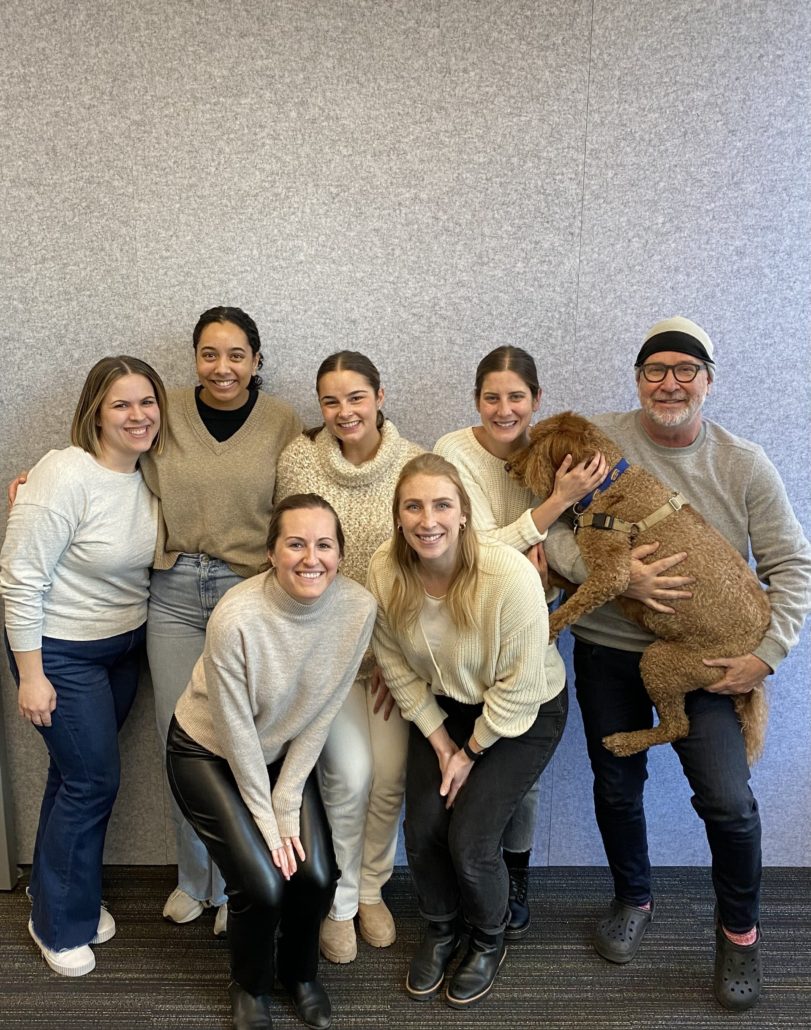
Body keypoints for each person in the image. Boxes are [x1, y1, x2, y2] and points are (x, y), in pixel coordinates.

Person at [543, 316, 811, 1011]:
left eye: (685, 370)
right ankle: (632, 897)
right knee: (615, 784)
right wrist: (616, 575)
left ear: (707, 381)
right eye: (655, 370)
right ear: (637, 380)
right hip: (608, 647)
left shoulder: (743, 463)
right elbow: (553, 530)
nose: (669, 383)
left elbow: (791, 566)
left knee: (728, 801)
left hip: (708, 657)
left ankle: (740, 933)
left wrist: (766, 657)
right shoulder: (595, 441)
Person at [166, 494, 377, 1030]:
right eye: (296, 544)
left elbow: (322, 711)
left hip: (281, 756)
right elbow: (237, 736)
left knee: (317, 875)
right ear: (271, 552)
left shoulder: (357, 608)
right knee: (262, 884)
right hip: (208, 752)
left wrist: (286, 800)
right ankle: (250, 985)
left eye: (324, 545)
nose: (311, 558)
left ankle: (299, 974)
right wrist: (270, 821)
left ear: (340, 553)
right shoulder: (235, 616)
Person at [366, 453, 568, 1008]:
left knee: (472, 840)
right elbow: (396, 666)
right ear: (398, 516)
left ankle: (487, 936)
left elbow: (521, 685)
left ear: (463, 514)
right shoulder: (385, 570)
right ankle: (441, 926)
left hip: (524, 710)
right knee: (424, 828)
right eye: (413, 507)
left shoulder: (508, 575)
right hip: (445, 708)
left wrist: (468, 754)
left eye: (441, 505)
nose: (427, 520)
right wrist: (441, 743)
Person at [0, 356, 166, 977]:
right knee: (92, 782)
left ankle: (57, 895)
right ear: (95, 412)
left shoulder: (154, 472)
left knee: (74, 777)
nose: (137, 415)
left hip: (122, 648)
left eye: (147, 402)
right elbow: (19, 578)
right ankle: (58, 926)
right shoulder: (63, 473)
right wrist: (32, 674)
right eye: (121, 404)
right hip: (61, 651)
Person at [434, 345, 606, 938]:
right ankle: (466, 879)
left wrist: (546, 576)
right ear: (476, 400)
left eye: (516, 397)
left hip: (532, 625)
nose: (503, 409)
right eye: (491, 397)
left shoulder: (556, 454)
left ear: (537, 400)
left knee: (521, 774)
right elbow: (469, 549)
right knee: (461, 775)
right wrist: (554, 504)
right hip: (463, 631)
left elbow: (568, 553)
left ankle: (517, 873)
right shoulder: (454, 452)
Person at [140, 306, 301, 934]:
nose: (222, 367)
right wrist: (43, 477)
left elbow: (297, 507)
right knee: (180, 739)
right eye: (209, 354)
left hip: (248, 592)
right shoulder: (167, 410)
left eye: (236, 355)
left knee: (245, 742)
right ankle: (194, 879)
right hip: (174, 593)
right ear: (195, 358)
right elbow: (113, 452)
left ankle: (241, 885)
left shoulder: (282, 421)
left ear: (257, 360)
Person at [274, 351, 422, 965]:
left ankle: (371, 890)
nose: (344, 412)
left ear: (380, 397)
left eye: (356, 397)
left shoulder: (413, 464)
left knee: (389, 776)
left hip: (391, 660)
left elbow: (426, 567)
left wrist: (397, 657)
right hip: (326, 655)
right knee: (350, 775)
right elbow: (290, 557)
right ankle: (337, 902)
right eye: (330, 401)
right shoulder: (299, 459)